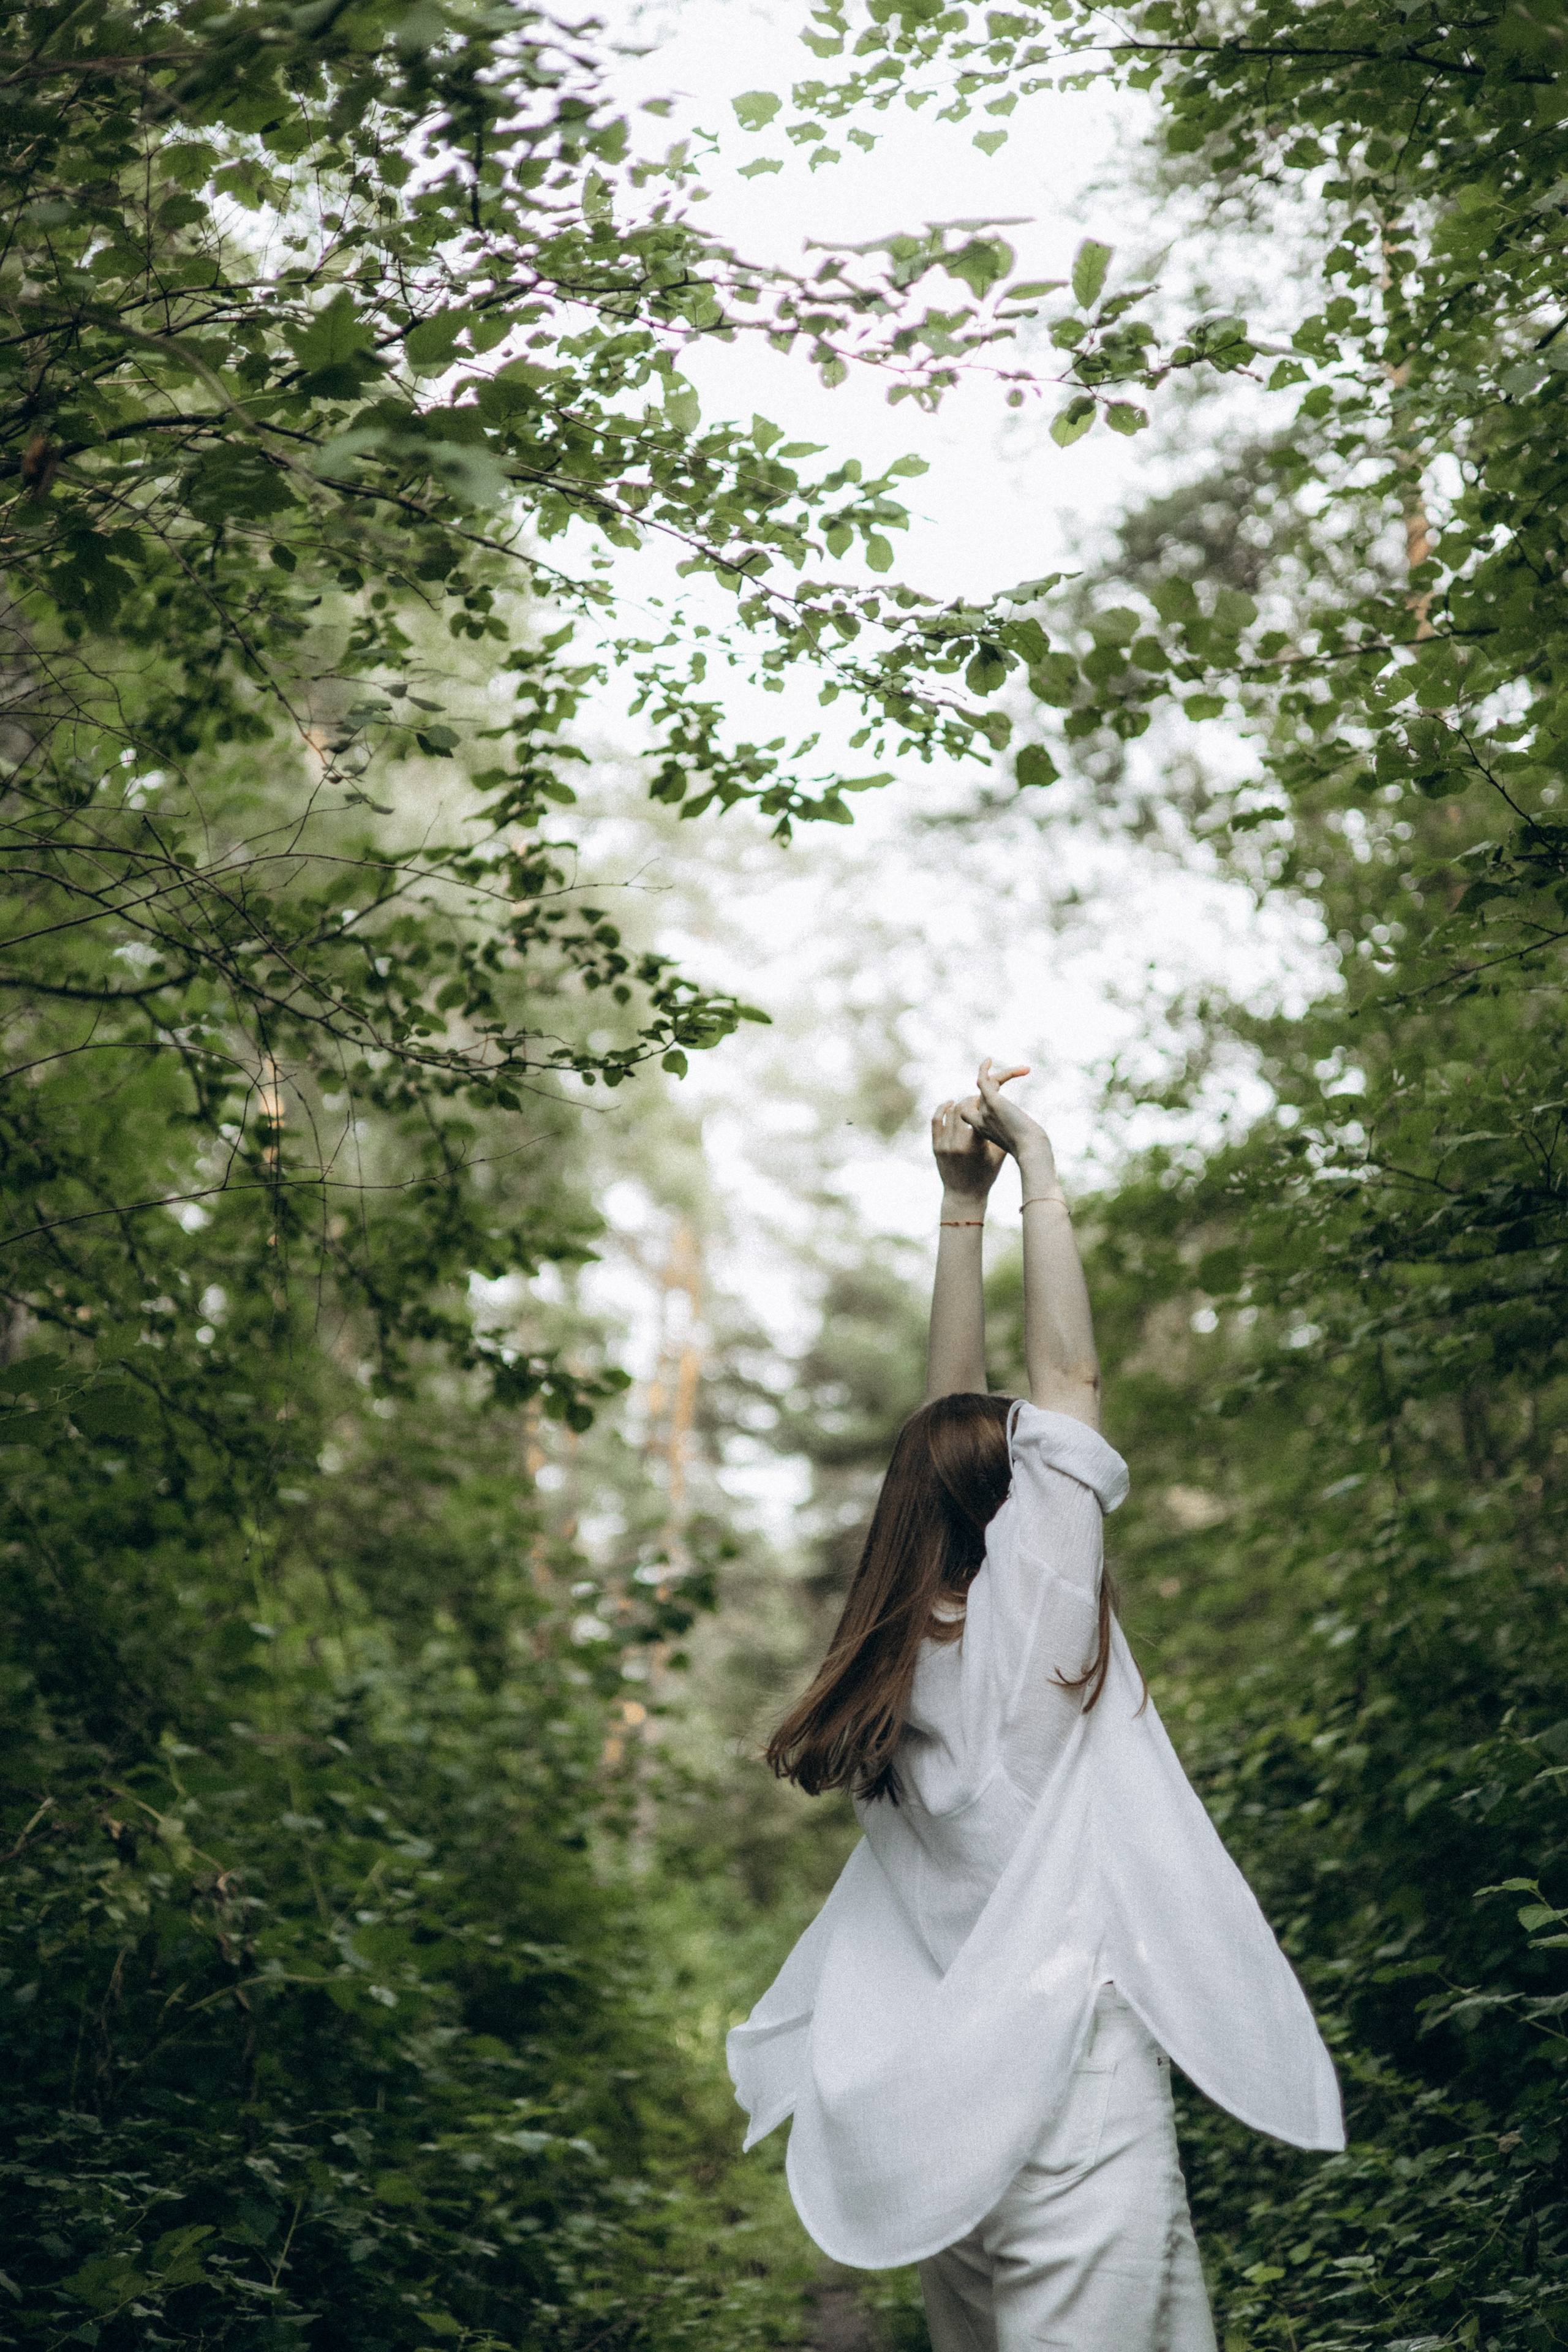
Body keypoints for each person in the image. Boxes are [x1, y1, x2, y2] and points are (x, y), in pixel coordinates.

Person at [727, 1059, 1344, 2352]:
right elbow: (1067, 1384)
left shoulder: (897, 1662)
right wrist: (1039, 1175)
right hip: (1067, 2086)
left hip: (937, 2106)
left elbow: (947, 1428)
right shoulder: (1028, 1637)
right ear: (1021, 1509)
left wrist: (959, 1206)